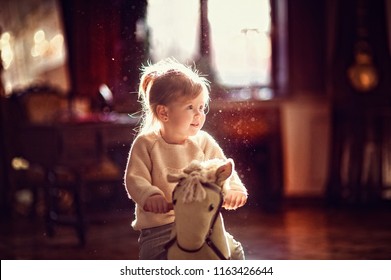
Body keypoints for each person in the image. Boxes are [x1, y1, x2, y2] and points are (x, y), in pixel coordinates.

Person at [124, 58, 248, 260]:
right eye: (190, 107)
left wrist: (234, 190)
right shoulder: (146, 144)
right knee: (156, 259)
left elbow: (222, 168)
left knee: (234, 253)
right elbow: (135, 179)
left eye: (202, 107)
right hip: (161, 228)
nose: (199, 115)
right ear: (164, 112)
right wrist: (150, 196)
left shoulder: (204, 141)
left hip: (202, 223)